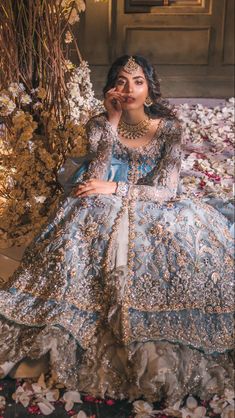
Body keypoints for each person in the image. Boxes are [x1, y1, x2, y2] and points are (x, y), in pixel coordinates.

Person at [0, 55, 234, 405]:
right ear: (111, 88)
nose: (128, 89)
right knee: (86, 213)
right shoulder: (99, 124)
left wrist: (118, 190)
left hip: (156, 206)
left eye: (137, 81)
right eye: (121, 81)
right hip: (104, 203)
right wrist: (110, 121)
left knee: (174, 239)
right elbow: (95, 173)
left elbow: (168, 191)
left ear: (149, 91)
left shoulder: (169, 128)